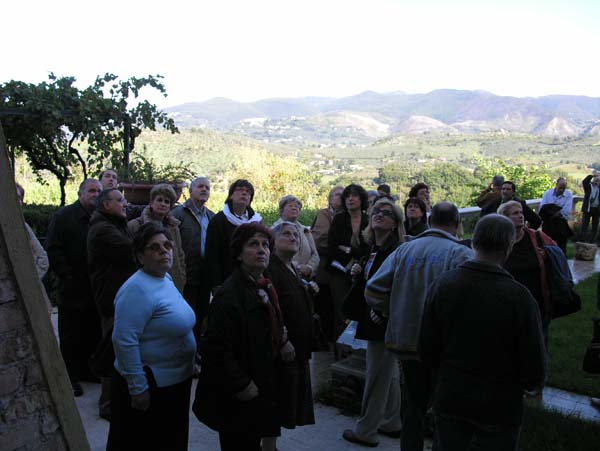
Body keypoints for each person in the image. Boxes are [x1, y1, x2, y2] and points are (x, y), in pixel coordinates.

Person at [419, 214, 546, 451]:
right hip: (499, 403)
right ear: (509, 246)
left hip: (451, 394)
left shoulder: (443, 285)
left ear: (473, 242)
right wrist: (532, 384)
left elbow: (426, 347)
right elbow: (533, 360)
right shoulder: (520, 298)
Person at [365, 202, 474, 451]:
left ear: (429, 219)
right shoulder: (461, 255)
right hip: (444, 349)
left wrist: (390, 310)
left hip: (405, 342)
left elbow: (373, 290)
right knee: (444, 410)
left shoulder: (405, 251)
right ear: (457, 224)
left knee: (412, 407)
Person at [193, 223, 294, 451]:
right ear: (239, 254)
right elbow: (215, 349)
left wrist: (283, 339)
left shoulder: (264, 284)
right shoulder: (229, 295)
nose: (262, 250)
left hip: (260, 384)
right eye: (253, 244)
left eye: (266, 245)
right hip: (237, 394)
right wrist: (242, 385)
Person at [107, 223, 196, 451]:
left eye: (167, 245)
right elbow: (124, 340)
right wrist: (138, 388)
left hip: (174, 383)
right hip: (151, 386)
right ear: (140, 256)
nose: (164, 251)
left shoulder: (164, 279)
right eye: (154, 247)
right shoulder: (136, 289)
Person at [342, 198, 405, 447]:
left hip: (382, 319)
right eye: (377, 211)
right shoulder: (375, 248)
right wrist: (360, 273)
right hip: (376, 318)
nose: (379, 214)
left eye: (387, 213)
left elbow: (398, 286)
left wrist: (384, 311)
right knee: (387, 374)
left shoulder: (395, 250)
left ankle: (366, 430)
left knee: (377, 375)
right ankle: (392, 422)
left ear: (395, 224)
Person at [45, 179, 103, 397]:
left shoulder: (99, 217)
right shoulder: (64, 217)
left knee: (91, 331)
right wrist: (67, 276)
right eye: (91, 190)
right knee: (70, 335)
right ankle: (69, 377)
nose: (95, 194)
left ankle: (87, 371)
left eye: (99, 191)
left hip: (93, 287)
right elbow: (52, 248)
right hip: (71, 288)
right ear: (80, 193)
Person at [87, 188, 138, 420]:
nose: (124, 204)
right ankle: (107, 404)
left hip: (117, 296)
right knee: (113, 350)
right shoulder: (102, 230)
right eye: (119, 200)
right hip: (111, 299)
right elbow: (131, 251)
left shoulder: (112, 224)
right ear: (106, 205)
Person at [267, 222, 316, 449]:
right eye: (286, 234)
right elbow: (271, 310)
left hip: (297, 346)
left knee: (285, 398)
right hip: (281, 348)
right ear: (274, 241)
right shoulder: (271, 269)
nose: (293, 237)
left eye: (296, 234)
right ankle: (267, 446)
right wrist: (283, 340)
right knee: (275, 399)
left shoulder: (293, 267)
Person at [498, 200, 556, 388]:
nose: (520, 215)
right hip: (507, 306)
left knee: (538, 345)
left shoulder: (537, 238)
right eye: (514, 213)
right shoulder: (498, 241)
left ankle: (536, 383)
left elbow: (558, 257)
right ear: (503, 218)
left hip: (539, 303)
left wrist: (549, 256)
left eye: (520, 212)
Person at [171, 176, 215, 338]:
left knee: (201, 313)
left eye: (207, 188)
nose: (204, 190)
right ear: (190, 191)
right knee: (184, 314)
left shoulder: (212, 216)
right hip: (186, 274)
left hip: (205, 275)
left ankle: (195, 350)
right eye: (200, 187)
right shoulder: (178, 214)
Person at [205, 179, 262, 293]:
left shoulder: (257, 222)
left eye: (248, 192)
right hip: (227, 279)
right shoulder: (218, 220)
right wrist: (216, 284)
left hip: (253, 279)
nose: (244, 193)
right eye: (240, 190)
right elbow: (212, 254)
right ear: (230, 196)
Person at [327, 183, 370, 339]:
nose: (350, 199)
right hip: (338, 270)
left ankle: (355, 344)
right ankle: (340, 348)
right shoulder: (339, 219)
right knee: (340, 307)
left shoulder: (368, 220)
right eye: (348, 196)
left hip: (362, 271)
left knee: (358, 307)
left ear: (361, 199)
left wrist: (350, 250)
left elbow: (370, 249)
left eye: (354, 195)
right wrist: (349, 258)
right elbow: (332, 246)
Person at [127, 183, 187, 294]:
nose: (163, 204)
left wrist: (182, 277)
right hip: (146, 285)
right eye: (159, 200)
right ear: (151, 202)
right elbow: (132, 258)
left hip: (174, 283)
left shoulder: (174, 227)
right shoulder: (135, 226)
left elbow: (180, 254)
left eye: (167, 202)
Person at [311, 186, 344, 342]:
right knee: (326, 307)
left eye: (342, 195)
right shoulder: (324, 214)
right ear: (330, 199)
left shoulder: (347, 216)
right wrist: (339, 248)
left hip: (342, 270)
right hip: (325, 269)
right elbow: (319, 239)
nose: (340, 197)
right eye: (337, 194)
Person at [272, 195, 319, 279]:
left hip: (306, 278)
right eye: (290, 206)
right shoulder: (274, 230)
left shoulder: (306, 231)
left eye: (297, 206)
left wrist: (310, 267)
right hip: (283, 276)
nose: (294, 208)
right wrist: (297, 267)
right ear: (282, 210)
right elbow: (273, 255)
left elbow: (315, 254)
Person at [16, 183, 49, 280]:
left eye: (18, 198)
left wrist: (27, 282)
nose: (16, 201)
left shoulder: (23, 227)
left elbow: (42, 259)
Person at [539, 177, 574, 253]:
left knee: (561, 247)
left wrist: (552, 211)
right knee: (547, 244)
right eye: (560, 187)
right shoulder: (548, 193)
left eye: (563, 188)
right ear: (556, 185)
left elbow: (566, 211)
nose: (561, 190)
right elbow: (543, 207)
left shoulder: (568, 194)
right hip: (548, 223)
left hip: (561, 223)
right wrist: (555, 211)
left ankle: (561, 262)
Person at [580, 172, 600, 242]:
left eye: (598, 177)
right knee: (584, 226)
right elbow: (584, 181)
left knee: (595, 227)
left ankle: (592, 241)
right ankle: (582, 241)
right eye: (596, 177)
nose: (597, 178)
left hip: (597, 210)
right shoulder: (588, 185)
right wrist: (592, 176)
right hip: (587, 208)